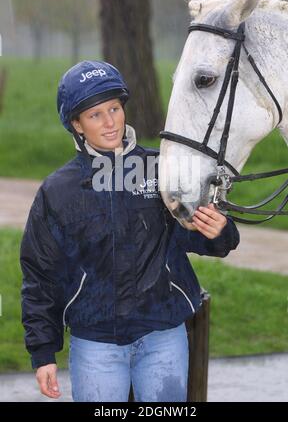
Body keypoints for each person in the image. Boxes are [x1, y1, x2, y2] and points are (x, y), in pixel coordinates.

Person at [20, 60, 240, 402]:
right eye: (95, 115)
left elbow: (199, 236)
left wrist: (220, 231)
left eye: (114, 108)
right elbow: (40, 277)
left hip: (163, 336)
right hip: (96, 344)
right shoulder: (57, 192)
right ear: (76, 124)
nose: (110, 122)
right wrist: (43, 352)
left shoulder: (165, 169)